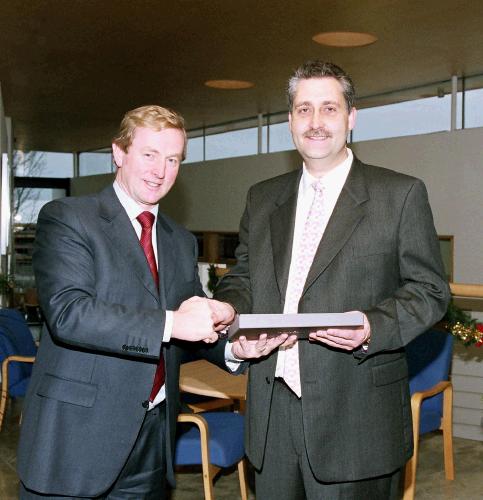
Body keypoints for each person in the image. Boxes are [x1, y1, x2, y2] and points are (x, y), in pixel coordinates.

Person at [214, 61, 451, 499]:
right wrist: (232, 321)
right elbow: (241, 278)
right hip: (271, 418)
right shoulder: (262, 198)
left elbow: (431, 290)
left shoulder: (399, 195)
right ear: (289, 121)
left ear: (351, 117)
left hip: (357, 418)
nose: (316, 122)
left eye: (329, 108)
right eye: (304, 110)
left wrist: (371, 326)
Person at [16, 105, 243, 499]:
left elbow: (191, 327)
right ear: (119, 153)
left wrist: (237, 347)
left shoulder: (179, 241)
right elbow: (70, 314)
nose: (160, 170)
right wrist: (171, 323)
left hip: (152, 441)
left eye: (172, 159)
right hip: (76, 441)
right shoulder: (68, 217)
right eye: (149, 155)